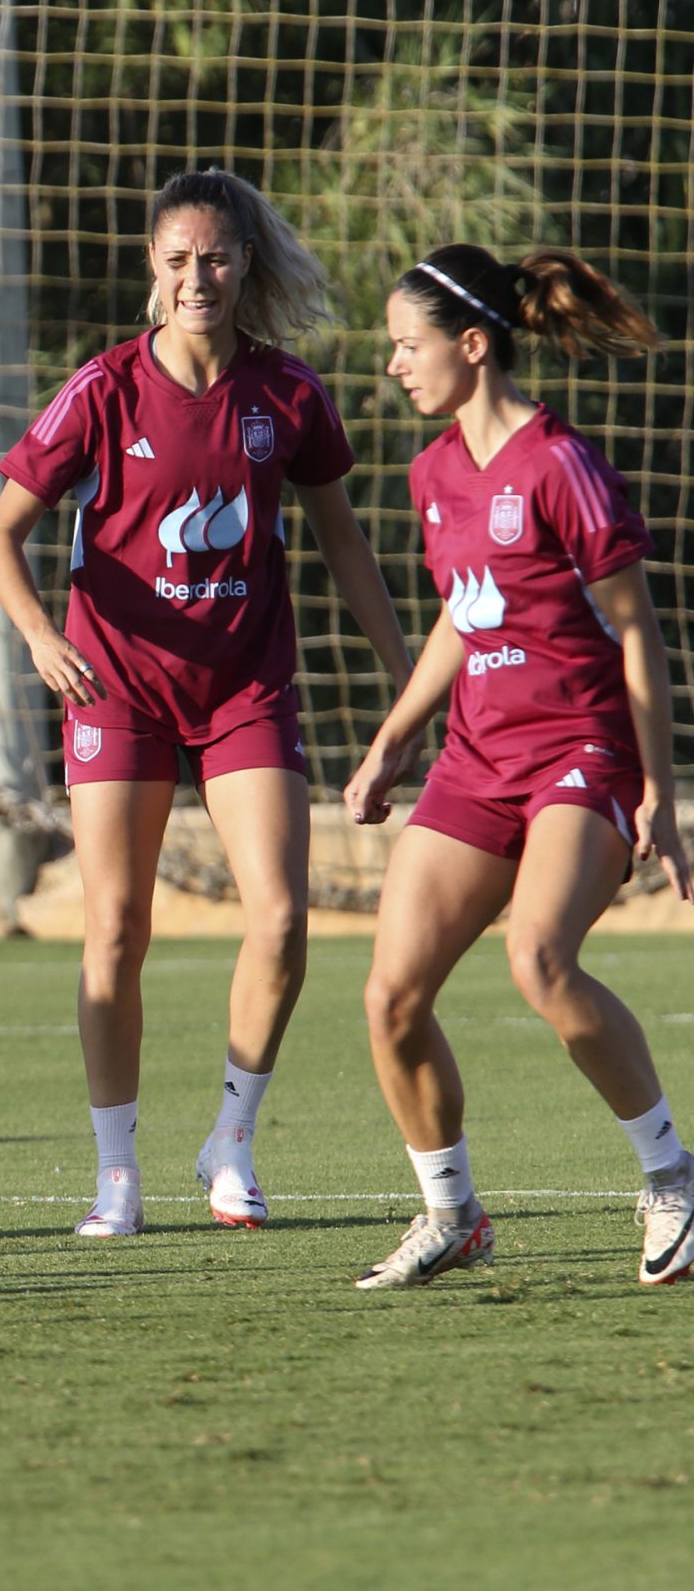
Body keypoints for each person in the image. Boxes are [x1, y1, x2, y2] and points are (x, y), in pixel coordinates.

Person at [0, 169, 413, 1237]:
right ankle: (114, 1174)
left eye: (213, 258)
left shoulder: (286, 396)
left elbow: (340, 540)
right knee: (117, 927)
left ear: (243, 264)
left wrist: (408, 667)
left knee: (277, 915)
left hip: (242, 687)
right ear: (151, 271)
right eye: (175, 261)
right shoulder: (102, 390)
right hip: (113, 685)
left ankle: (231, 1140)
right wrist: (39, 637)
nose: (195, 278)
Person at [345, 246, 691, 1288]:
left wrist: (660, 797)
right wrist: (392, 736)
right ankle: (450, 1213)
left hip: (578, 753)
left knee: (537, 958)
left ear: (473, 345)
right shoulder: (430, 471)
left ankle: (671, 1177)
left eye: (409, 347)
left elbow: (638, 635)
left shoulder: (559, 464)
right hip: (475, 759)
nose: (396, 368)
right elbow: (466, 612)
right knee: (389, 998)